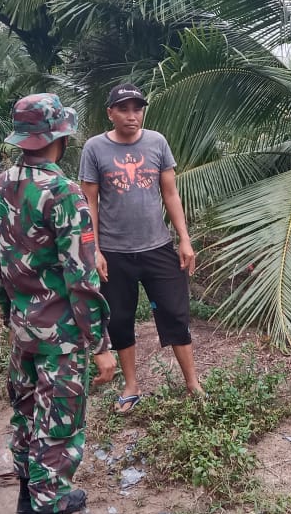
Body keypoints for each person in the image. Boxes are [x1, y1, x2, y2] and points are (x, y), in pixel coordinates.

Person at [0, 92, 118, 514]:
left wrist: (12, 316)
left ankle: (29, 500)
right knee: (57, 427)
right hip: (60, 335)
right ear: (59, 136)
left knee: (25, 414)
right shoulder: (63, 193)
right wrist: (101, 345)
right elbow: (81, 277)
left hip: (23, 330)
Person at [79, 83, 203, 414]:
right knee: (119, 320)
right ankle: (131, 385)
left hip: (158, 246)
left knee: (176, 314)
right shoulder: (94, 148)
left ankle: (193, 383)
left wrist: (185, 239)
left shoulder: (157, 142)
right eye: (123, 109)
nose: (132, 116)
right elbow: (89, 201)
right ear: (111, 113)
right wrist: (95, 250)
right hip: (115, 253)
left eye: (137, 109)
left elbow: (171, 194)